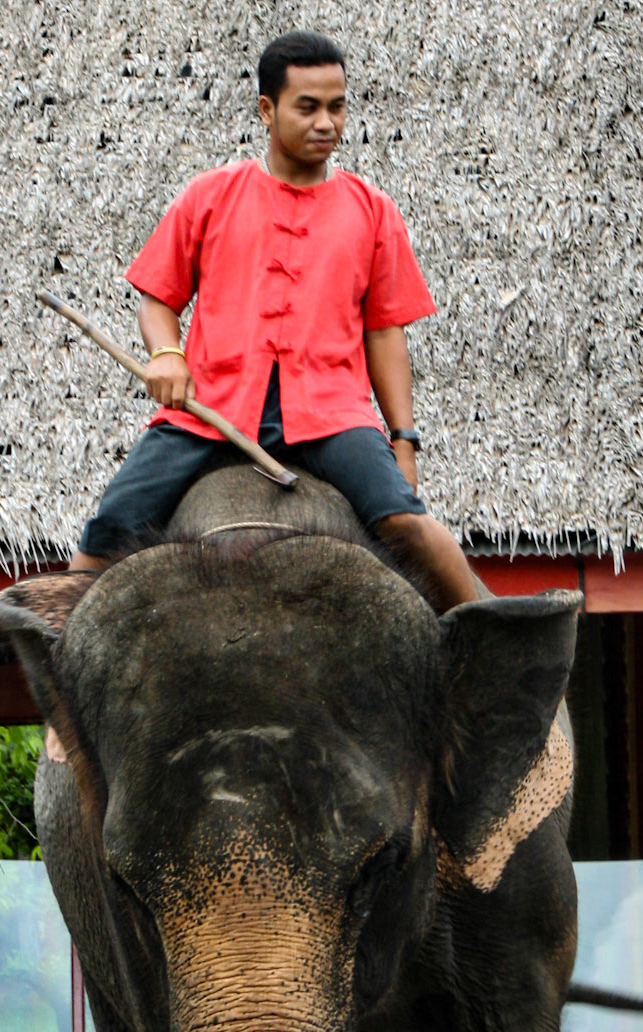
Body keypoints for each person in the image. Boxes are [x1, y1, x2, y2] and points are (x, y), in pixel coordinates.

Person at [67, 30, 479, 613]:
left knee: (406, 523)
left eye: (336, 107)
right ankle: (55, 647)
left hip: (333, 414)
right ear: (267, 109)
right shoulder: (209, 196)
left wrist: (403, 440)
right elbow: (158, 301)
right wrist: (167, 356)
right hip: (210, 411)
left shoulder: (373, 211)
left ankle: (483, 631)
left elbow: (385, 332)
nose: (326, 123)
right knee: (111, 525)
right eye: (307, 107)